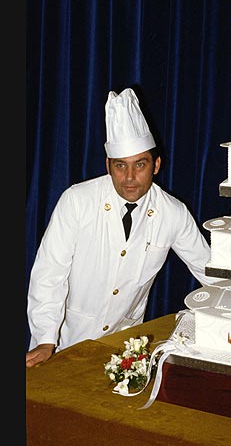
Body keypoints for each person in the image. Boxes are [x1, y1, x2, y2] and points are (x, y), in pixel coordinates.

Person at [26, 88, 218, 368]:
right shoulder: (77, 201)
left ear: (156, 165)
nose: (129, 178)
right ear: (108, 165)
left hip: (124, 352)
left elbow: (209, 271)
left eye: (140, 165)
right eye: (120, 166)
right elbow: (49, 274)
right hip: (63, 344)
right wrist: (46, 338)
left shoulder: (173, 213)